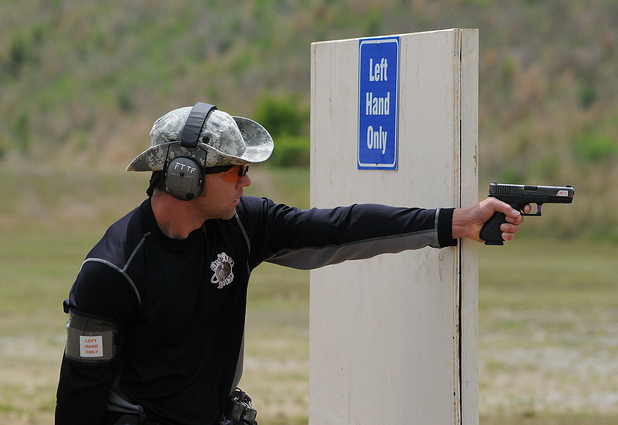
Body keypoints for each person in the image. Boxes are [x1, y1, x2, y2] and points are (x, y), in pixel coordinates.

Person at [55, 102, 526, 425]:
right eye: (237, 169)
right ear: (186, 177)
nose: (248, 180)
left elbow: (340, 227)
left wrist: (456, 222)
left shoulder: (241, 224)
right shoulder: (112, 271)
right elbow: (79, 399)